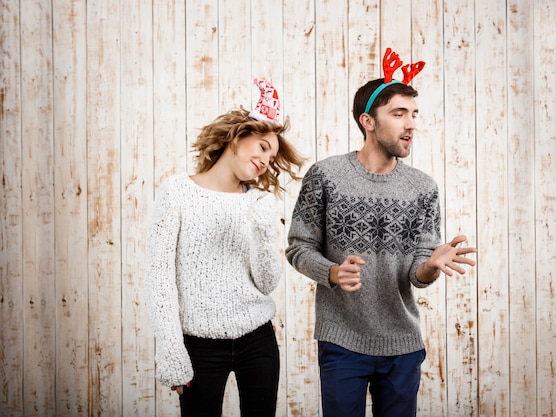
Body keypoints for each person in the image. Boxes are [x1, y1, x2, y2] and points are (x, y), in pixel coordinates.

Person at [285, 48, 477, 417]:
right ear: (368, 121)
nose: (411, 125)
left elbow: (417, 274)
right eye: (399, 113)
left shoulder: (423, 188)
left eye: (414, 114)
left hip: (402, 343)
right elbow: (299, 247)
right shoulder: (325, 176)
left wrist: (431, 265)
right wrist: (331, 272)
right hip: (342, 342)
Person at [145, 78, 304, 417]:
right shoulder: (176, 192)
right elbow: (159, 277)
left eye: (272, 157)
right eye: (262, 147)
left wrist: (264, 234)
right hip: (199, 346)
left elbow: (267, 283)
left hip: (257, 340)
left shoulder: (258, 202)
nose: (265, 161)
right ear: (237, 136)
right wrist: (171, 351)